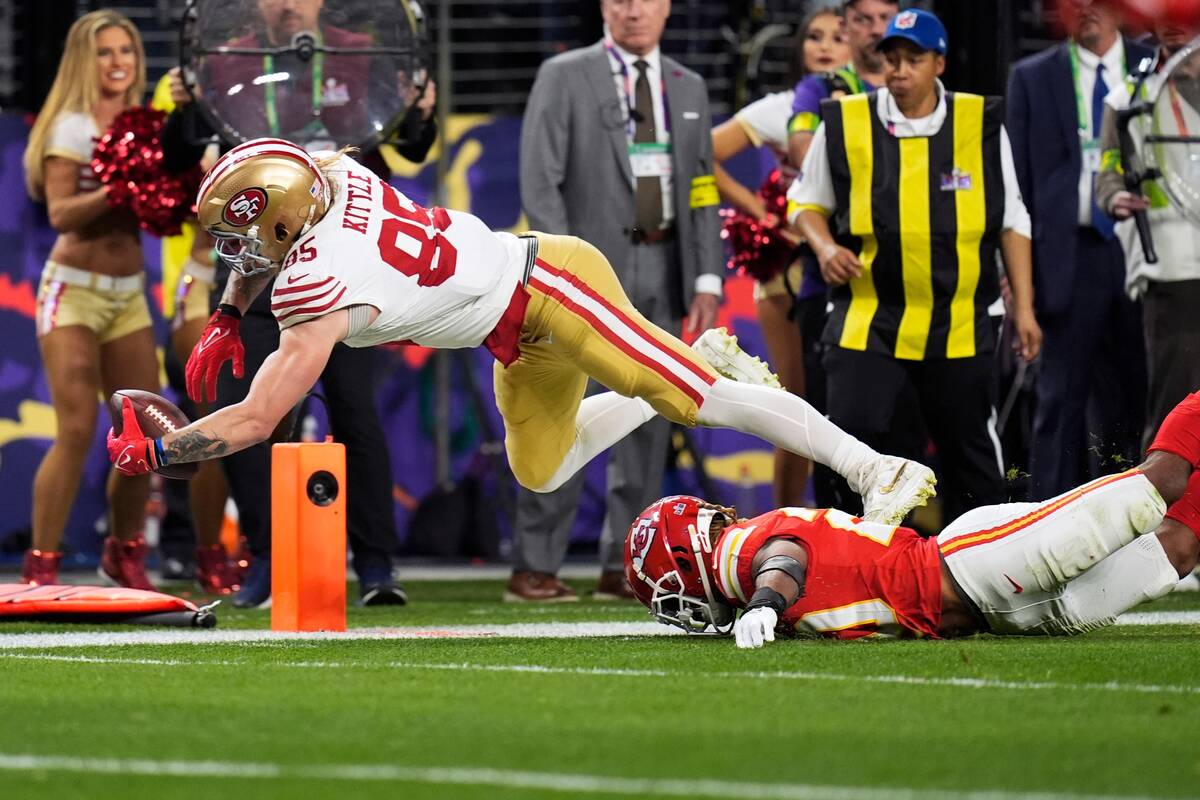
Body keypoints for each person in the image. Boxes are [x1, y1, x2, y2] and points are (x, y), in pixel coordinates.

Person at [106, 139, 939, 542]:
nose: (236, 261)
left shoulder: (316, 288)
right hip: (511, 325)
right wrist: (225, 313)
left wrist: (167, 449)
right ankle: (682, 365)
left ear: (289, 221)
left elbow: (256, 421)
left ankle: (879, 470)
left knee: (696, 400)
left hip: (551, 286)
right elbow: (272, 228)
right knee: (539, 466)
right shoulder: (330, 170)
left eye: (244, 245)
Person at [163, 5, 438, 607]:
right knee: (242, 403)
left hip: (345, 253)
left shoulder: (361, 52)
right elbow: (177, 158)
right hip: (254, 252)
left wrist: (421, 112)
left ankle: (375, 564)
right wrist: (185, 109)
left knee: (354, 410)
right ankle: (266, 555)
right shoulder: (224, 58)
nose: (287, 3)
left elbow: (411, 144)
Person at [624, 389, 1200, 647]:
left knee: (1156, 485)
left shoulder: (745, 552)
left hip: (974, 566)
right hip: (993, 617)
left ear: (683, 554)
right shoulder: (741, 562)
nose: (668, 604)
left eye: (660, 587)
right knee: (1176, 550)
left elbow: (785, 558)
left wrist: (766, 603)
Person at [506, 0, 725, 602]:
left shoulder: (689, 86)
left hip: (664, 261)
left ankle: (625, 564)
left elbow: (702, 187)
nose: (635, 12)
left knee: (648, 413)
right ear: (605, 8)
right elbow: (539, 181)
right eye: (622, 0)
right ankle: (535, 565)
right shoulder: (564, 74)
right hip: (580, 273)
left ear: (668, 8)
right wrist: (558, 271)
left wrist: (707, 278)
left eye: (647, 0)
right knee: (561, 409)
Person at [789, 9, 1043, 524]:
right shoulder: (845, 120)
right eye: (893, 59)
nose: (900, 70)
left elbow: (1012, 219)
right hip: (868, 313)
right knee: (848, 441)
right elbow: (804, 203)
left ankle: (980, 564)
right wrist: (824, 247)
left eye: (914, 59)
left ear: (939, 63)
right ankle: (846, 555)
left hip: (960, 317)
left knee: (971, 453)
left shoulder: (979, 123)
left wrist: (1026, 310)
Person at [19, 11, 158, 590]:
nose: (119, 61)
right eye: (105, 52)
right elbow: (60, 214)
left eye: (126, 49)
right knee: (76, 428)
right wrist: (119, 186)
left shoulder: (144, 124)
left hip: (129, 296)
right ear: (85, 60)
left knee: (141, 434)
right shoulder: (71, 128)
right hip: (71, 292)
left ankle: (124, 555)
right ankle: (41, 567)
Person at [1007, 0, 1153, 500]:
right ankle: (1045, 526)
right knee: (1059, 403)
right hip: (1065, 258)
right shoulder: (1031, 77)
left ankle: (1141, 524)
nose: (1086, 8)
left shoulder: (1152, 67)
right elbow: (1018, 187)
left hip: (1144, 251)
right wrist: (1017, 276)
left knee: (1142, 393)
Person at [711, 6, 848, 508]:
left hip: (852, 263)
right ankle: (786, 523)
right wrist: (761, 213)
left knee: (852, 402)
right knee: (795, 401)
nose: (826, 45)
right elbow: (704, 155)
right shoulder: (781, 107)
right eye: (815, 36)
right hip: (790, 270)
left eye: (838, 35)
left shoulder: (873, 105)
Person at [150, 70, 238, 595]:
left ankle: (230, 548)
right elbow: (169, 166)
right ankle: (190, 548)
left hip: (253, 273)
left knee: (242, 415)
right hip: (200, 273)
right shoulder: (176, 84)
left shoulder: (271, 79)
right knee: (204, 413)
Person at [1095, 17, 1200, 453]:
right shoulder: (1125, 99)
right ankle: (1159, 514)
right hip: (1172, 270)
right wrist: (1115, 196)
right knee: (1175, 409)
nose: (1175, 29)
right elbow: (1108, 172)